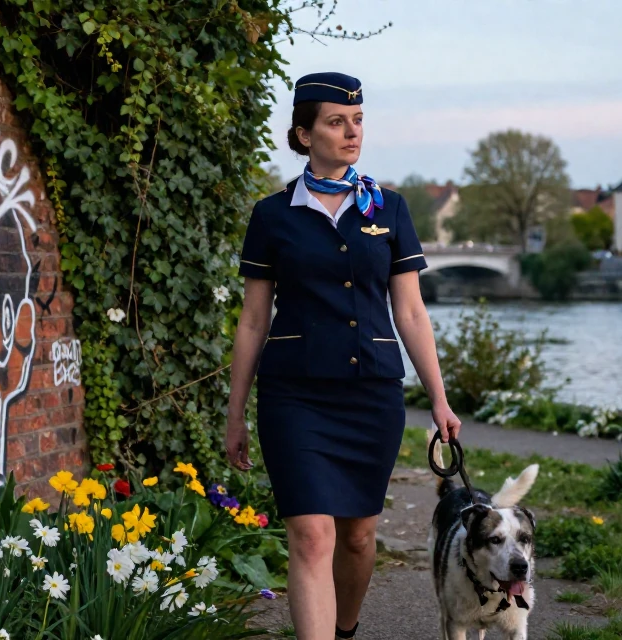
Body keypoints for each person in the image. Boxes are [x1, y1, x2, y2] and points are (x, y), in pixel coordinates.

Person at [224, 72, 462, 640]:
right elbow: (254, 319)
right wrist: (235, 413)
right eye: (336, 121)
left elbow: (410, 312)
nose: (352, 132)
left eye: (357, 120)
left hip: (370, 393)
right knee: (311, 536)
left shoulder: (391, 209)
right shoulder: (272, 216)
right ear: (304, 135)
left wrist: (440, 399)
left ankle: (345, 629)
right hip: (294, 395)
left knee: (357, 537)